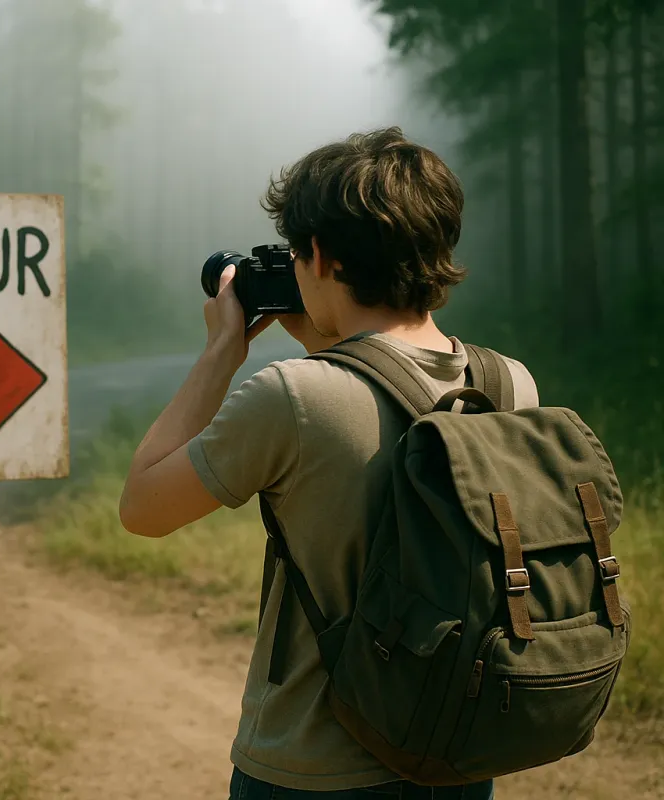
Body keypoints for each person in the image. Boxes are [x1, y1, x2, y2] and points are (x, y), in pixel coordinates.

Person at [117, 127, 538, 799]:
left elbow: (142, 507)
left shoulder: (293, 397)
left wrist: (222, 353)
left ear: (319, 254)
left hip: (311, 767)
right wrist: (335, 336)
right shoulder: (508, 382)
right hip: (455, 750)